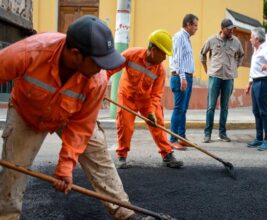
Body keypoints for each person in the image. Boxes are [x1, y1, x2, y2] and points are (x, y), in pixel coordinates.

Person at [0, 15, 149, 220]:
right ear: (75, 54)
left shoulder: (96, 81)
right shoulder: (30, 52)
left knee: (98, 153)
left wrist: (65, 167)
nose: (103, 68)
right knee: (13, 170)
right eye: (98, 62)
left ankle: (125, 213)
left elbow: (81, 127)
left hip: (69, 114)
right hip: (27, 111)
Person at [107, 29, 184, 169]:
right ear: (152, 49)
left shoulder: (160, 70)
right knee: (125, 125)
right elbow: (111, 68)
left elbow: (156, 95)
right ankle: (122, 156)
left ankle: (167, 155)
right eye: (163, 53)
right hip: (127, 97)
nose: (165, 58)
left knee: (158, 123)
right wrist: (100, 83)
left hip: (146, 100)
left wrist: (151, 112)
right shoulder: (131, 54)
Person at [200, 18, 244, 143]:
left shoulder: (236, 41)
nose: (231, 31)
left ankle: (222, 134)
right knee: (211, 106)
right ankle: (207, 134)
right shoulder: (212, 40)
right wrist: (206, 69)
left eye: (232, 29)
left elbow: (241, 54)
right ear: (222, 29)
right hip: (215, 76)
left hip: (228, 78)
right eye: (229, 29)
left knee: (224, 107)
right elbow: (202, 54)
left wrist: (235, 67)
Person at [169, 14, 199, 150]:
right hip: (181, 77)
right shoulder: (180, 37)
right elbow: (178, 59)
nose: (196, 28)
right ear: (188, 24)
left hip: (187, 77)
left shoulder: (186, 38)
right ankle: (172, 139)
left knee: (183, 110)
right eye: (195, 25)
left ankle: (181, 137)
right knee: (178, 109)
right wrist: (182, 77)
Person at [245, 27, 267, 151]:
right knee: (256, 111)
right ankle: (259, 138)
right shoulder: (256, 50)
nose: (250, 39)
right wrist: (249, 83)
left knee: (263, 112)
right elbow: (253, 68)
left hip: (263, 82)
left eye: (251, 37)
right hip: (255, 82)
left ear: (257, 39)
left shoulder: (266, 49)